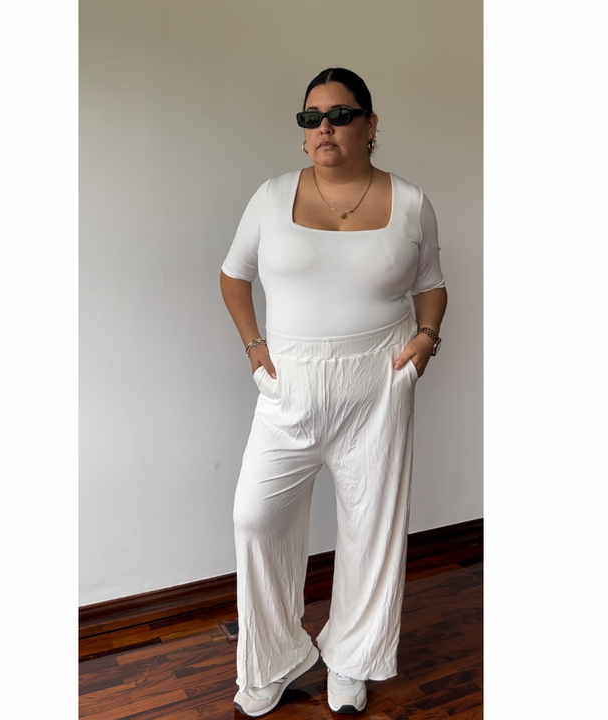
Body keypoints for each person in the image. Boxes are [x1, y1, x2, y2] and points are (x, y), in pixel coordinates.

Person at [220, 67, 447, 717]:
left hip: (377, 380)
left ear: (370, 125)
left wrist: (426, 337)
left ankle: (351, 657)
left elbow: (431, 284)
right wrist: (254, 347)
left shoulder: (410, 202)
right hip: (288, 382)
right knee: (255, 516)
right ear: (302, 133)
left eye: (341, 115)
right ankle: (277, 656)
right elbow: (233, 276)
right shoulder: (271, 197)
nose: (325, 127)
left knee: (371, 525)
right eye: (312, 118)